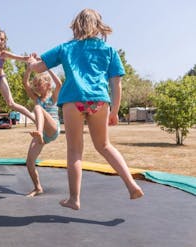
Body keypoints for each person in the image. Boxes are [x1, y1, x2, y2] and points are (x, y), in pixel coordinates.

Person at [28, 8, 144, 209]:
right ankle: (132, 185)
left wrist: (31, 62)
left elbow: (38, 68)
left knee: (74, 151)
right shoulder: (109, 51)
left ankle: (74, 199)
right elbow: (116, 84)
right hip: (100, 101)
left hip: (74, 100)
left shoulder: (66, 47)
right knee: (105, 146)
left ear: (76, 26)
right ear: (98, 26)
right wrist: (115, 111)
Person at [23, 67, 61, 197]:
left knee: (38, 107)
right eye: (35, 86)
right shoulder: (36, 97)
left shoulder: (53, 97)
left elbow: (59, 84)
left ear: (48, 85)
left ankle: (38, 132)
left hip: (52, 129)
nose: (37, 88)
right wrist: (28, 69)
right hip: (42, 135)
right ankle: (38, 187)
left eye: (39, 85)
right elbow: (25, 84)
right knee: (29, 162)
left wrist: (48, 68)